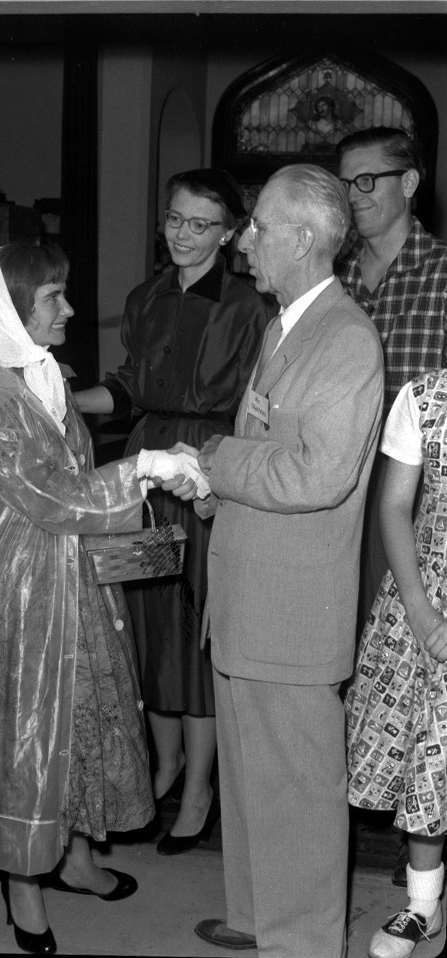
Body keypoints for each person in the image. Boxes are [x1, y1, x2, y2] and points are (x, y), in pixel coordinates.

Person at [0, 242, 210, 955]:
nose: (70, 309)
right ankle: (22, 885)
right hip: (19, 595)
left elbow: (73, 477)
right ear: (12, 308)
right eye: (53, 296)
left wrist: (143, 474)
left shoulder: (42, 374)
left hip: (72, 578)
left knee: (82, 723)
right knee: (27, 741)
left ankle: (77, 858)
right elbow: (48, 495)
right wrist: (142, 467)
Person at [173, 164, 384, 956]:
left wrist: (219, 459)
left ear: (300, 238)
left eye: (257, 226)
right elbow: (269, 447)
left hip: (290, 609)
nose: (243, 241)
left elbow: (319, 476)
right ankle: (259, 917)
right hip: (248, 592)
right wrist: (211, 487)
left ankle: (302, 943)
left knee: (297, 787)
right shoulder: (284, 325)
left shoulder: (345, 338)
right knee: (252, 778)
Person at [75, 168, 273, 854]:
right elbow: (128, 387)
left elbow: (255, 409)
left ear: (230, 233)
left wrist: (221, 476)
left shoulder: (249, 306)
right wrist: (60, 399)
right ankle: (163, 766)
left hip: (202, 471)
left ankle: (199, 791)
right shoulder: (146, 297)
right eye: (174, 219)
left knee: (191, 629)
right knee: (142, 618)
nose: (183, 234)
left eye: (200, 224)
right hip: (143, 468)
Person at [345, 369, 447, 958]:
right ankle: (423, 904)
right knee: (426, 753)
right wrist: (422, 612)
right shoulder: (425, 397)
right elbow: (394, 506)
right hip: (424, 596)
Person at [336, 127, 447, 630]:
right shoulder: (332, 277)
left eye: (366, 180)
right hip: (337, 475)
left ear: (409, 183)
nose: (353, 196)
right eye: (345, 184)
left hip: (414, 489)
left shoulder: (441, 272)